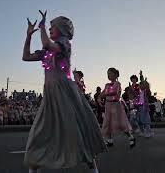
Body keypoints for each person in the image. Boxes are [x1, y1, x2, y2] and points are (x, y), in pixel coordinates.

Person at [22, 11, 106, 173]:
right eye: (50, 26)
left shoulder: (64, 44)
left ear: (61, 29)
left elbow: (48, 44)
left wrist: (41, 26)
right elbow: (25, 57)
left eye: (53, 26)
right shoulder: (47, 52)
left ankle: (93, 168)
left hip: (65, 92)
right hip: (50, 94)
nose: (50, 29)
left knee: (76, 130)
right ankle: (33, 167)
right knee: (39, 131)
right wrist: (28, 36)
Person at [97, 67, 136, 148]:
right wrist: (99, 98)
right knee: (108, 122)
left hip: (116, 105)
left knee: (121, 122)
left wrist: (104, 94)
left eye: (110, 73)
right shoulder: (107, 85)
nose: (109, 75)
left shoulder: (117, 84)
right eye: (108, 74)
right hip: (108, 105)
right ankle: (110, 140)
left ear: (115, 75)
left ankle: (131, 137)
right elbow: (103, 93)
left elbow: (114, 91)